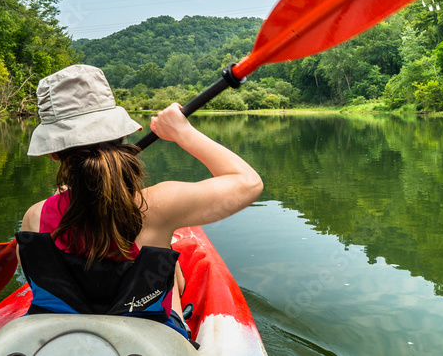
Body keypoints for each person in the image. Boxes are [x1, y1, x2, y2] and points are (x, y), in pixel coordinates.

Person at [16, 64, 263, 342]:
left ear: (53, 153)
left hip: (60, 339)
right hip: (146, 335)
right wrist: (182, 132)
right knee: (169, 263)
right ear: (121, 135)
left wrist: (70, 198)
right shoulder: (160, 206)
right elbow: (248, 182)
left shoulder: (34, 217)